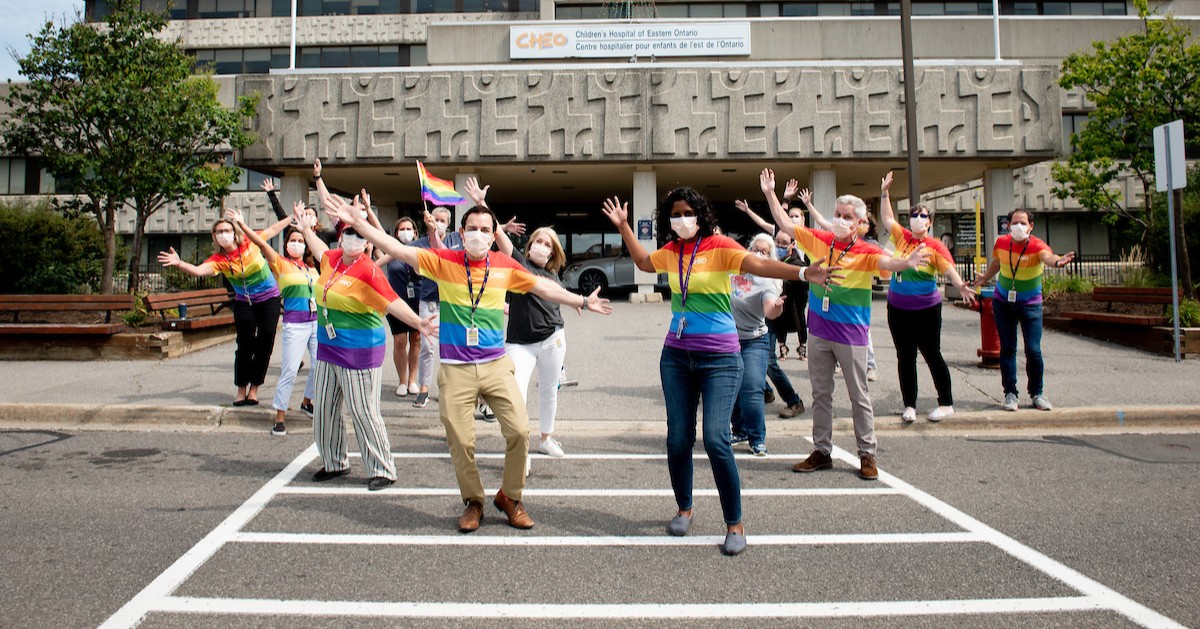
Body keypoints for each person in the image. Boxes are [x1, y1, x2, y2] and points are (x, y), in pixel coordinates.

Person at [325, 194, 612, 534]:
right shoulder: (443, 261)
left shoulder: (505, 266)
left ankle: (511, 497)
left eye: (485, 229)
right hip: (456, 367)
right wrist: (359, 223)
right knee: (461, 441)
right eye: (472, 228)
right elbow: (395, 248)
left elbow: (544, 288)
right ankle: (473, 501)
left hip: (495, 365)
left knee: (519, 431)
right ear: (461, 233)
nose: (478, 234)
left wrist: (581, 300)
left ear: (494, 235)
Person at [601, 187, 839, 556]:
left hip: (721, 358)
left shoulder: (720, 245)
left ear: (700, 214)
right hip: (677, 356)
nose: (682, 219)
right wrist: (624, 228)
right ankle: (684, 507)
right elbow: (645, 264)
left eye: (688, 212)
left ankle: (735, 522)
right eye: (675, 214)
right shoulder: (672, 251)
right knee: (678, 438)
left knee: (715, 438)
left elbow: (759, 265)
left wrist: (804, 272)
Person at [760, 169, 931, 481]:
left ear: (858, 223)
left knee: (858, 396)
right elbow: (785, 225)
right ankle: (822, 451)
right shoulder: (821, 240)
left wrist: (905, 263)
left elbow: (886, 263)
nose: (839, 219)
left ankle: (867, 454)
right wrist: (771, 193)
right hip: (820, 332)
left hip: (851, 335)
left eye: (846, 216)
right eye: (837, 214)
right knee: (821, 395)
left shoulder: (866, 249)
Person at [293, 208, 437, 492]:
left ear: (368, 243)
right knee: (324, 407)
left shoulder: (368, 270)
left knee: (363, 410)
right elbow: (318, 247)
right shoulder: (332, 260)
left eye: (359, 235)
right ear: (341, 236)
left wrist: (418, 322)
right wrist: (306, 229)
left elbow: (391, 301)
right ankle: (334, 462)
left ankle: (382, 467)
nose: (353, 238)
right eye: (348, 233)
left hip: (359, 350)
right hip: (328, 346)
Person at [464, 178, 575, 458]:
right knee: (516, 395)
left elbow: (557, 299)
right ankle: (519, 448)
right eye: (537, 241)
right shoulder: (518, 263)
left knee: (549, 391)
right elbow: (498, 234)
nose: (541, 246)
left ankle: (546, 438)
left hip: (553, 340)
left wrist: (581, 302)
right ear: (529, 245)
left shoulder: (554, 276)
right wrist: (481, 202)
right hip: (519, 344)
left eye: (547, 244)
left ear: (553, 251)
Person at [157, 213, 291, 406]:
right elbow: (198, 270)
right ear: (214, 236)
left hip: (269, 299)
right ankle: (241, 389)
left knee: (265, 341)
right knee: (244, 344)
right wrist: (180, 264)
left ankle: (254, 389)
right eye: (219, 231)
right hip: (244, 302)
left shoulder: (249, 242)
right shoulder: (219, 259)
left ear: (234, 232)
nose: (223, 234)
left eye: (226, 230)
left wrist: (291, 218)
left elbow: (273, 229)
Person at [877, 171, 977, 423]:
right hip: (898, 309)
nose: (918, 219)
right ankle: (909, 404)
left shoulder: (935, 247)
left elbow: (948, 270)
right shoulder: (902, 237)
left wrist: (961, 286)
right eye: (914, 215)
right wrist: (885, 193)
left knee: (932, 354)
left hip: (926, 311)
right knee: (905, 356)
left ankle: (946, 402)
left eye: (923, 216)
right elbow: (887, 218)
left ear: (930, 222)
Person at [227, 205, 320, 436]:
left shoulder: (312, 268)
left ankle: (307, 401)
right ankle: (279, 415)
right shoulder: (280, 263)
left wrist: (307, 227)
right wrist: (241, 225)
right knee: (289, 369)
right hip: (295, 324)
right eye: (292, 240)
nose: (296, 243)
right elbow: (260, 243)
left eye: (301, 240)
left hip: (316, 323)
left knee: (320, 367)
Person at [972, 209, 1075, 412]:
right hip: (1003, 302)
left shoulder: (1037, 245)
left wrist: (1058, 262)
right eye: (1015, 222)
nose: (1019, 226)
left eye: (1023, 223)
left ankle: (1037, 393)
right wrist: (985, 278)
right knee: (1008, 349)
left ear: (1031, 226)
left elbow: (1049, 256)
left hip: (1030, 305)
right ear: (1008, 225)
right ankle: (1010, 393)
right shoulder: (1001, 243)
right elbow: (997, 263)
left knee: (1033, 350)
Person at [729, 233, 787, 456]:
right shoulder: (733, 272)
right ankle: (740, 430)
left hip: (755, 340)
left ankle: (757, 437)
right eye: (756, 249)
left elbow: (769, 309)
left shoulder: (768, 282)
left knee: (752, 388)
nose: (758, 254)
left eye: (764, 252)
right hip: (729, 340)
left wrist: (777, 308)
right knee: (731, 388)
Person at [407, 206, 464, 408]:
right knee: (428, 346)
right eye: (435, 219)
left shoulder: (457, 239)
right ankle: (424, 388)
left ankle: (450, 388)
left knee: (452, 347)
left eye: (442, 220)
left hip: (452, 303)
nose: (438, 223)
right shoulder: (421, 244)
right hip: (429, 301)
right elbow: (399, 253)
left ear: (448, 223)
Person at [377, 217, 423, 398]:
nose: (406, 232)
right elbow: (379, 231)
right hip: (395, 302)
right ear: (396, 233)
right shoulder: (391, 250)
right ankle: (402, 381)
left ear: (415, 232)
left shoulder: (420, 250)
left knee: (416, 339)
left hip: (417, 301)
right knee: (400, 341)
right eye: (402, 229)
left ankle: (413, 380)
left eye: (409, 228)